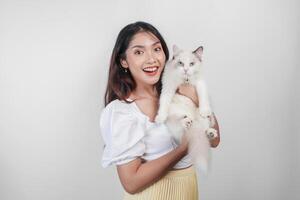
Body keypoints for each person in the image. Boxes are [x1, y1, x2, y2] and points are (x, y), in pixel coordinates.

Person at [100, 21, 220, 200]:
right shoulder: (122, 112)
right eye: (139, 52)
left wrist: (195, 97)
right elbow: (131, 183)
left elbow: (215, 140)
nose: (152, 59)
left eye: (156, 49)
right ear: (123, 61)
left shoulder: (180, 90)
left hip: (187, 192)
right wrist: (183, 148)